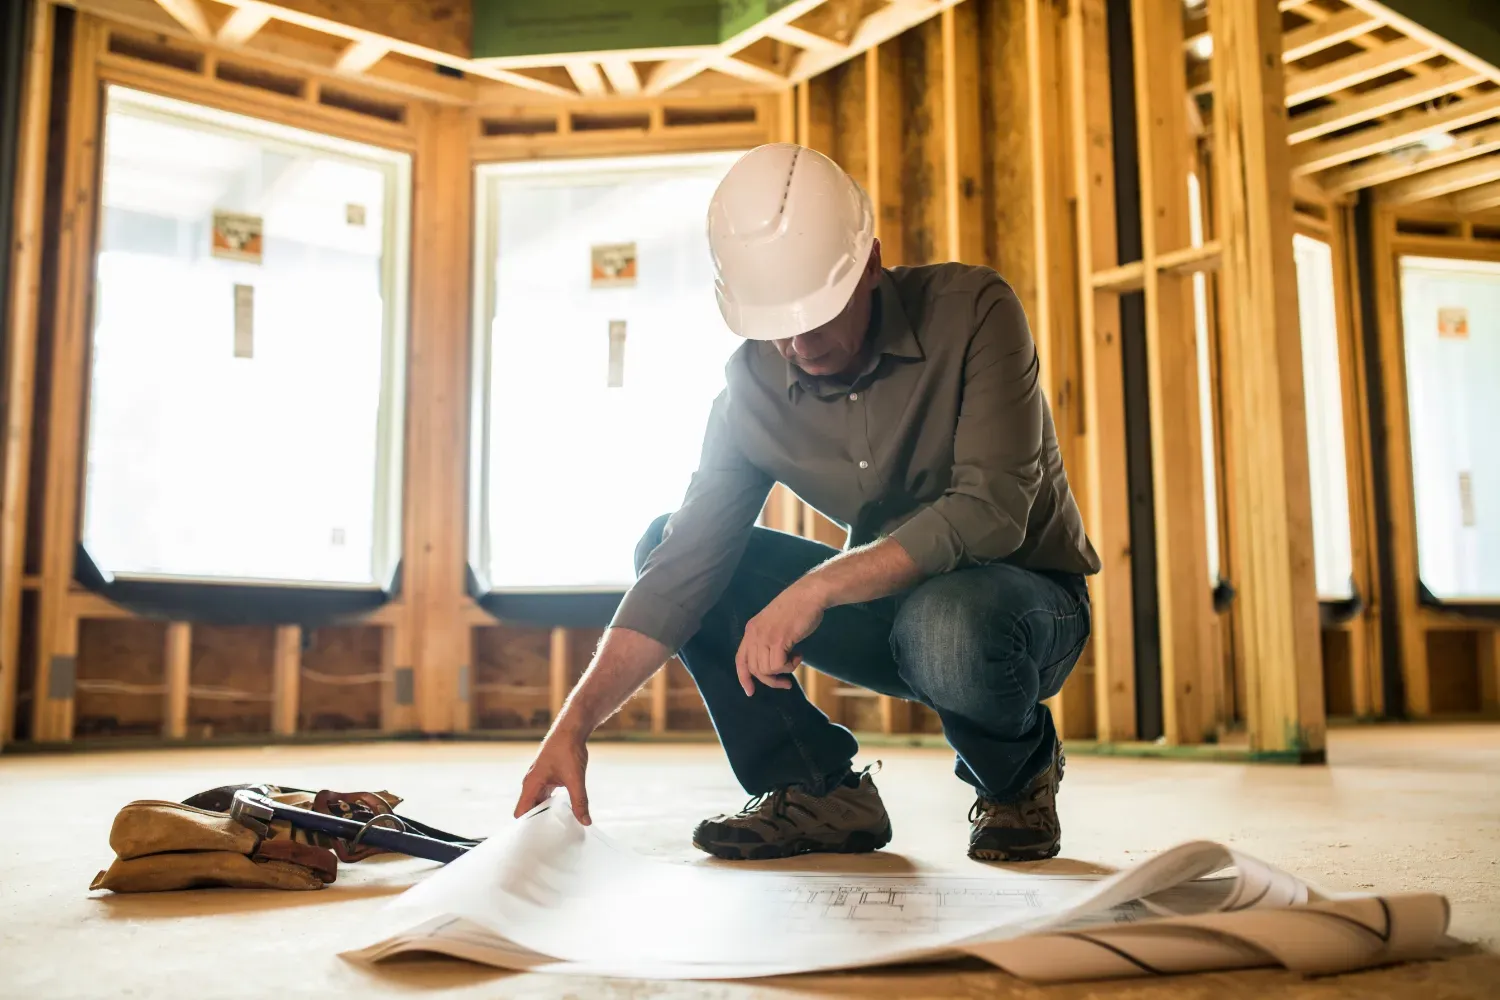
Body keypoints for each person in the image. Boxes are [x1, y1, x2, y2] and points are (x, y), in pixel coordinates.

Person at [513, 142, 1100, 863]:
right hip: (891, 611)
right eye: (774, 326)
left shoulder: (974, 311)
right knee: (665, 540)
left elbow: (993, 509)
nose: (797, 343)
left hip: (1022, 609)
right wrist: (572, 725)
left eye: (818, 315)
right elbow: (678, 574)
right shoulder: (748, 392)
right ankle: (816, 790)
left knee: (946, 623)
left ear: (872, 265)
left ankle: (1019, 778)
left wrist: (819, 585)